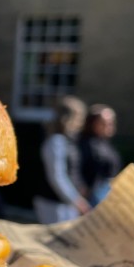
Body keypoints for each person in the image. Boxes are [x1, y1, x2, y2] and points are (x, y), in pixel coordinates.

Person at [33, 95, 90, 224]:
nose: (80, 123)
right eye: (79, 118)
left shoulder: (68, 141)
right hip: (52, 203)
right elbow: (57, 176)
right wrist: (76, 200)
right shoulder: (56, 141)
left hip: (64, 203)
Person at [79, 104, 122, 206]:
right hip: (94, 195)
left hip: (108, 192)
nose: (109, 126)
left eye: (111, 122)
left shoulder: (105, 143)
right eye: (104, 123)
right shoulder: (85, 144)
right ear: (93, 123)